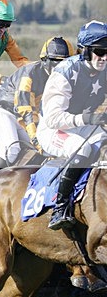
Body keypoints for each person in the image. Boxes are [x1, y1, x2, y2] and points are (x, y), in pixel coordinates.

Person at [38, 20, 107, 230]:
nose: (104, 58)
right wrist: (87, 119)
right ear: (84, 50)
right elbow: (53, 118)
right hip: (53, 130)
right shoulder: (64, 72)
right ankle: (60, 206)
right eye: (99, 52)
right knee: (84, 148)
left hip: (84, 125)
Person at [0, 36, 76, 180]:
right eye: (56, 62)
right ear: (45, 60)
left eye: (65, 63)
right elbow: (25, 113)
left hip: (30, 115)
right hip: (5, 112)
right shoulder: (29, 74)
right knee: (12, 150)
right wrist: (37, 141)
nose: (60, 68)